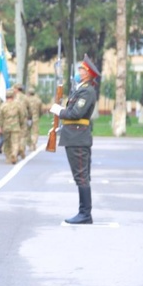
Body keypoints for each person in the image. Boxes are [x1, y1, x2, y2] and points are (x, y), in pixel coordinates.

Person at [49, 55, 100, 224]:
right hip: (75, 136)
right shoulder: (81, 88)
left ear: (88, 73)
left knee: (81, 176)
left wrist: (59, 111)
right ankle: (84, 212)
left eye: (82, 69)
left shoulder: (87, 91)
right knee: (81, 176)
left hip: (77, 137)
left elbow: (76, 113)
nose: (79, 71)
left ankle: (85, 214)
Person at [0, 89, 25, 164]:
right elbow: (22, 116)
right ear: (13, 96)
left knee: (7, 143)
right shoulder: (18, 105)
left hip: (6, 127)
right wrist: (21, 124)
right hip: (15, 127)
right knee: (15, 142)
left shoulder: (3, 106)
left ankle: (8, 157)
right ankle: (14, 153)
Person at [26, 87, 43, 151]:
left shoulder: (26, 99)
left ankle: (29, 144)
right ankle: (34, 143)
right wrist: (39, 115)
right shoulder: (38, 100)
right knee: (35, 131)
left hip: (27, 117)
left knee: (27, 131)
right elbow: (41, 110)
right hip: (35, 117)